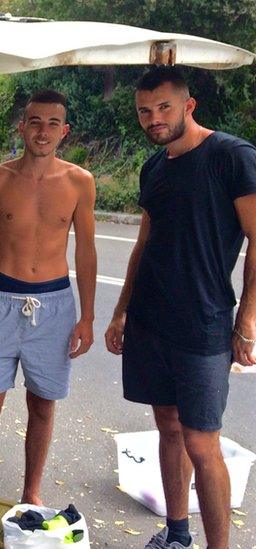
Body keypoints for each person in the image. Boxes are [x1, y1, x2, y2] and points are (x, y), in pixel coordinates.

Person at [104, 66, 256, 549]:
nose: (154, 118)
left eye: (164, 107)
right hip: (149, 322)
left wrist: (247, 320)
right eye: (145, 111)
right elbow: (143, 243)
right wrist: (121, 310)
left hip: (204, 324)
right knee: (167, 428)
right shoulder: (155, 167)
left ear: (189, 105)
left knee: (202, 442)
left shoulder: (231, 156)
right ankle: (176, 534)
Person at [0, 89, 97, 504]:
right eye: (35, 122)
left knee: (43, 406)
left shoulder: (78, 182)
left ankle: (31, 493)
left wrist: (87, 317)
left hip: (54, 305)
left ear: (64, 131)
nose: (43, 131)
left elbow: (86, 252)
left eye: (53, 123)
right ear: (23, 126)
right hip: (1, 302)